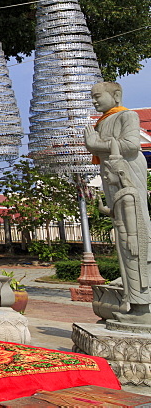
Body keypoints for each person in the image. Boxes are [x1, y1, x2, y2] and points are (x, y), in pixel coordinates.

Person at [84, 81, 151, 323]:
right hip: (113, 176)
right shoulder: (103, 121)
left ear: (117, 95)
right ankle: (133, 303)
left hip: (127, 171)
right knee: (122, 237)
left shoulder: (127, 116)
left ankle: (143, 306)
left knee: (135, 234)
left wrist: (96, 145)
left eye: (98, 96)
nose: (94, 101)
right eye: (92, 97)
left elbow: (131, 146)